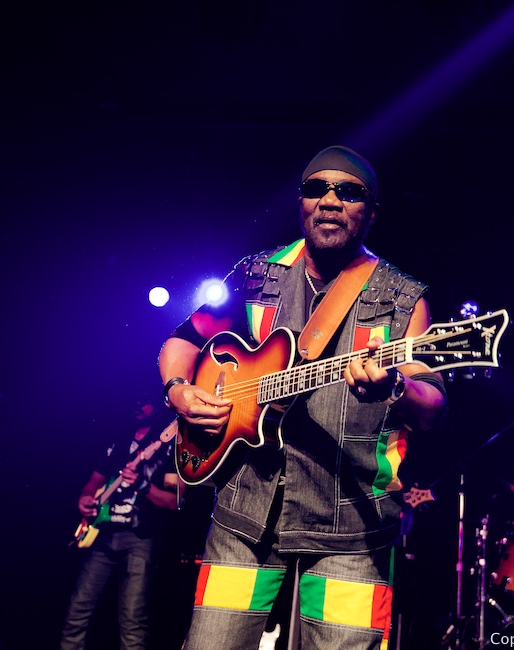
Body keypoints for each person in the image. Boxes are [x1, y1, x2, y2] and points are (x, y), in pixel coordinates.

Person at [159, 145, 448, 650]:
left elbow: (431, 407)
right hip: (244, 513)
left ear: (371, 211)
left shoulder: (403, 298)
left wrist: (394, 388)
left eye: (349, 192)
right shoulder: (255, 274)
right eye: (318, 188)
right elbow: (182, 341)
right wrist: (179, 391)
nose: (331, 200)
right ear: (301, 204)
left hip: (354, 527)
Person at [60, 398, 183, 650]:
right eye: (134, 399)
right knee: (76, 611)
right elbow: (94, 481)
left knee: (132, 620)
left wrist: (143, 485)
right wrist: (85, 497)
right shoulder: (117, 441)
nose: (137, 405)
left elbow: (175, 501)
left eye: (144, 401)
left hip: (141, 539)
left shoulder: (168, 446)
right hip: (102, 535)